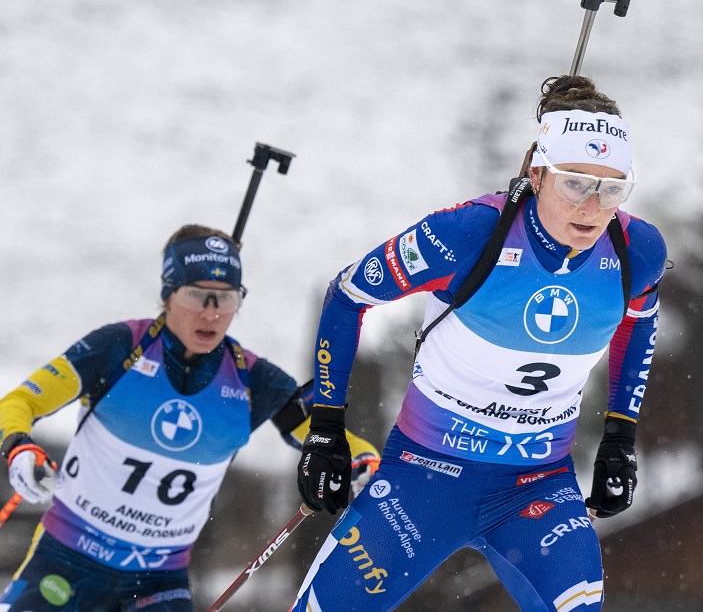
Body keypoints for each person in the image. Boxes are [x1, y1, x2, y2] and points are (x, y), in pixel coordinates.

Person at [291, 75, 667, 611]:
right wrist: (327, 428)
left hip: (537, 485)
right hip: (425, 478)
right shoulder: (466, 235)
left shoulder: (638, 250)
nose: (592, 206)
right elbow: (348, 294)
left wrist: (619, 436)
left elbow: (638, 322)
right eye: (576, 183)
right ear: (537, 173)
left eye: (612, 188)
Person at [0, 224, 380, 612]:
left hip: (157, 580)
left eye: (226, 298)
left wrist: (362, 462)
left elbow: (328, 439)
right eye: (197, 295)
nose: (212, 313)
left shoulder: (254, 379)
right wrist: (18, 445)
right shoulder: (117, 347)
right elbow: (19, 402)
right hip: (67, 555)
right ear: (168, 294)